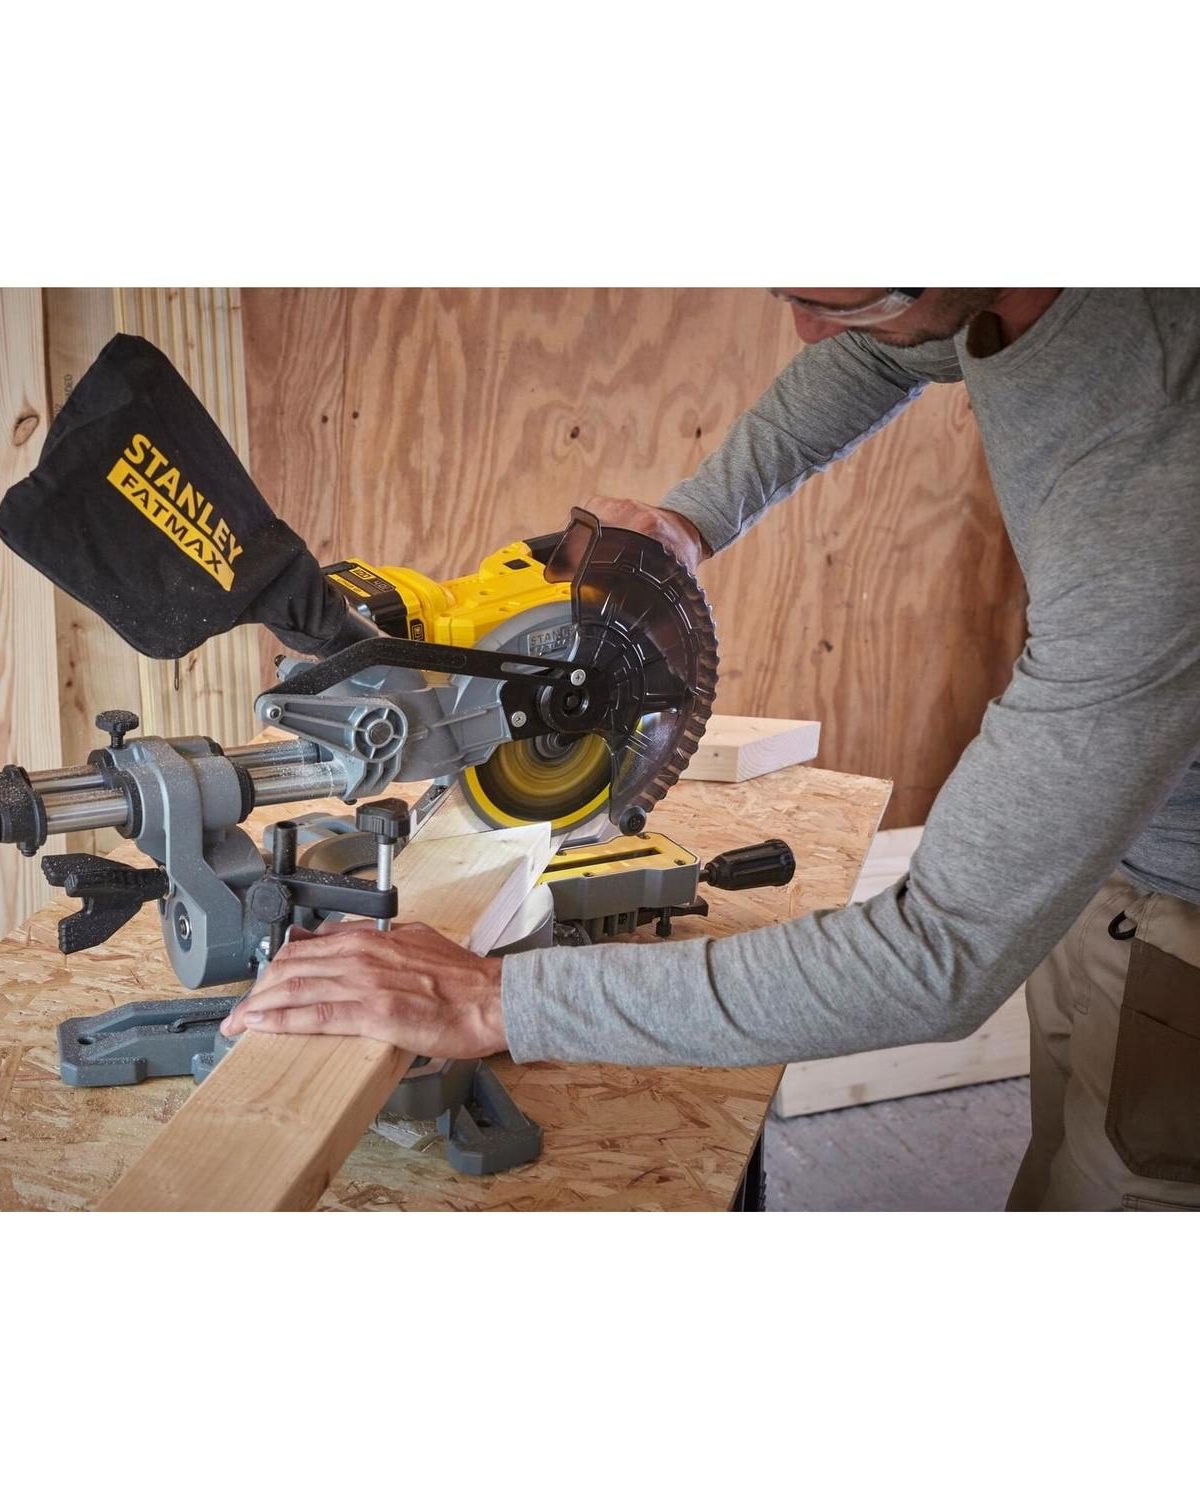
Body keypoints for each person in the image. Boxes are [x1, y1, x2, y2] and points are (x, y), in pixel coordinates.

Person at [221, 289, 1200, 1212]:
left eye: (841, 300)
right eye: (793, 295)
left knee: (1132, 1187)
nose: (808, 329)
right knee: (1072, 1148)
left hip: (1184, 909)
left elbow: (938, 956)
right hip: (1123, 840)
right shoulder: (1002, 299)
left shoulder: (1152, 513)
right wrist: (689, 522)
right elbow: (878, 351)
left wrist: (497, 999)